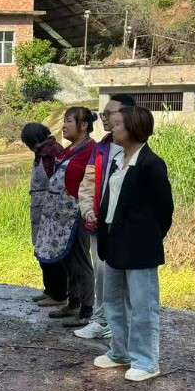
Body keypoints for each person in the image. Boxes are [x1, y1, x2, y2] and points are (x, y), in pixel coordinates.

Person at [92, 104, 173, 382]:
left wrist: (147, 238)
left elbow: (164, 210)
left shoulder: (151, 164)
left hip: (139, 246)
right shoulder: (118, 160)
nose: (112, 129)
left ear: (133, 128)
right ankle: (120, 351)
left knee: (142, 305)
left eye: (117, 125)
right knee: (113, 300)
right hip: (113, 240)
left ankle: (146, 361)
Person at [76, 94, 136, 340]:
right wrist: (88, 210)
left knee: (125, 279)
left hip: (124, 229)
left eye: (109, 114)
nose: (104, 119)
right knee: (102, 275)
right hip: (99, 226)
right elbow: (88, 183)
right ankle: (101, 320)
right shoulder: (101, 148)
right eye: (103, 114)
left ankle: (119, 324)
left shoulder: (137, 151)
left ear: (127, 115)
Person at [49, 106, 98, 328]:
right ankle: (73, 302)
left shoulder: (92, 150)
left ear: (84, 125)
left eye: (69, 121)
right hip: (62, 215)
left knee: (81, 259)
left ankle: (87, 309)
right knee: (68, 259)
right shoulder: (70, 149)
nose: (64, 125)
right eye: (65, 120)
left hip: (78, 213)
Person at [21, 122, 69, 307]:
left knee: (51, 251)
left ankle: (58, 294)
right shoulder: (44, 151)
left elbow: (58, 182)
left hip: (50, 209)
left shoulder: (51, 153)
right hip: (41, 207)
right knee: (42, 250)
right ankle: (50, 290)